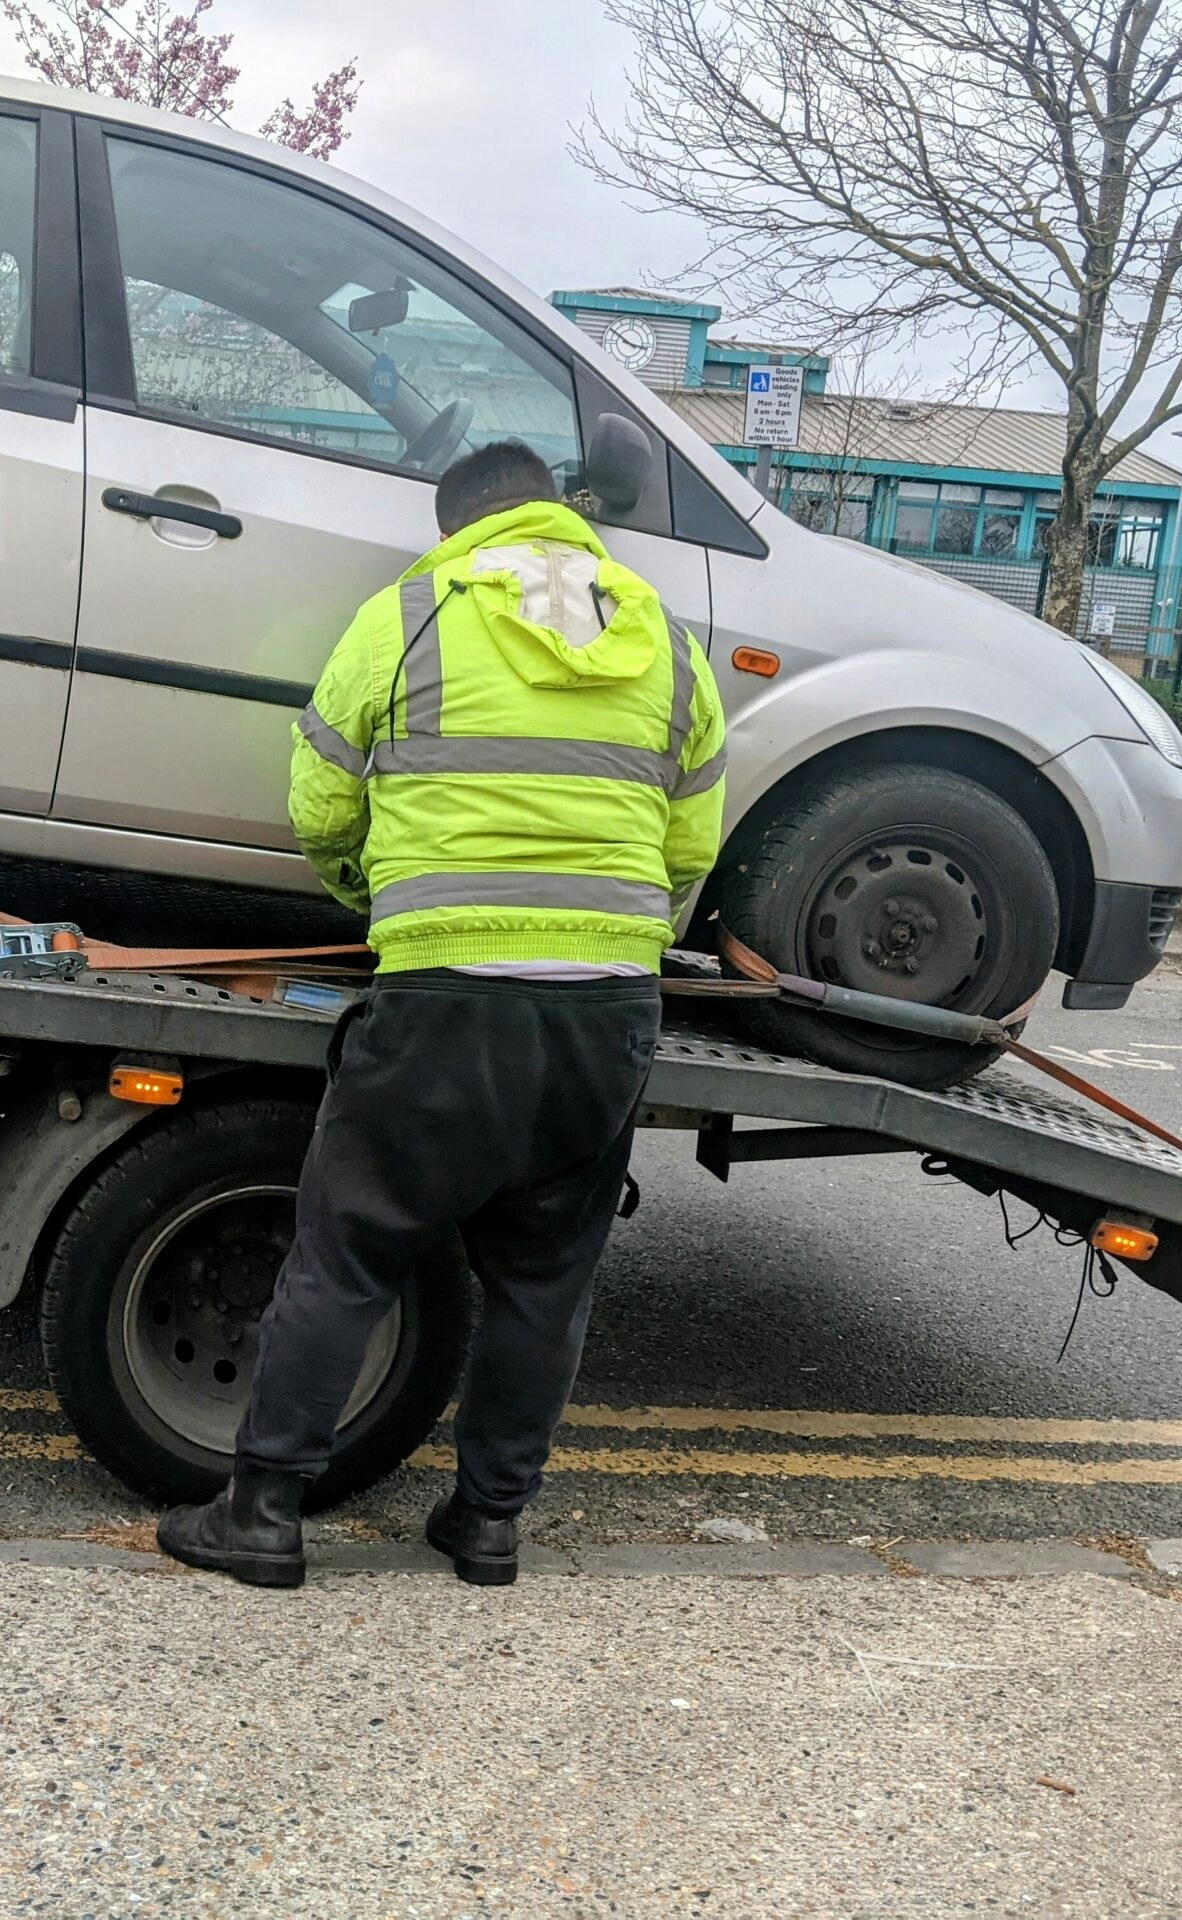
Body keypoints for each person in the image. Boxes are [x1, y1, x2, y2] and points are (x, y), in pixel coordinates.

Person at [157, 438, 727, 1589]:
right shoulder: (663, 641)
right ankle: (486, 1525)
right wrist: (613, 936)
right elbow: (689, 846)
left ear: (457, 523)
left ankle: (262, 1517)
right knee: (543, 1278)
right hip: (603, 1011)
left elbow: (321, 796)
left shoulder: (410, 613)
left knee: (347, 1255)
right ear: (563, 519)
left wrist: (383, 903)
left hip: (443, 997)